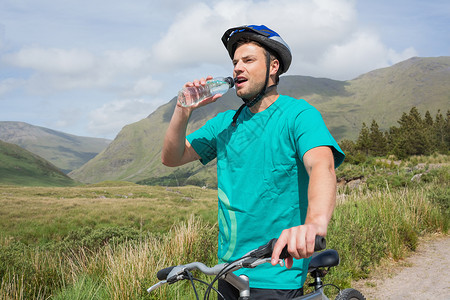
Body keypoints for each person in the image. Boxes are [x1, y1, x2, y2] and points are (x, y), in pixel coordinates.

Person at [161, 25, 345, 299]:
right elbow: (171, 158)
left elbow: (321, 165)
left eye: (248, 60)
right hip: (229, 271)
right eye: (235, 62)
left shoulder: (298, 115)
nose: (237, 68)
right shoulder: (224, 124)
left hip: (277, 269)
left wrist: (314, 225)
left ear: (273, 67)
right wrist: (182, 110)